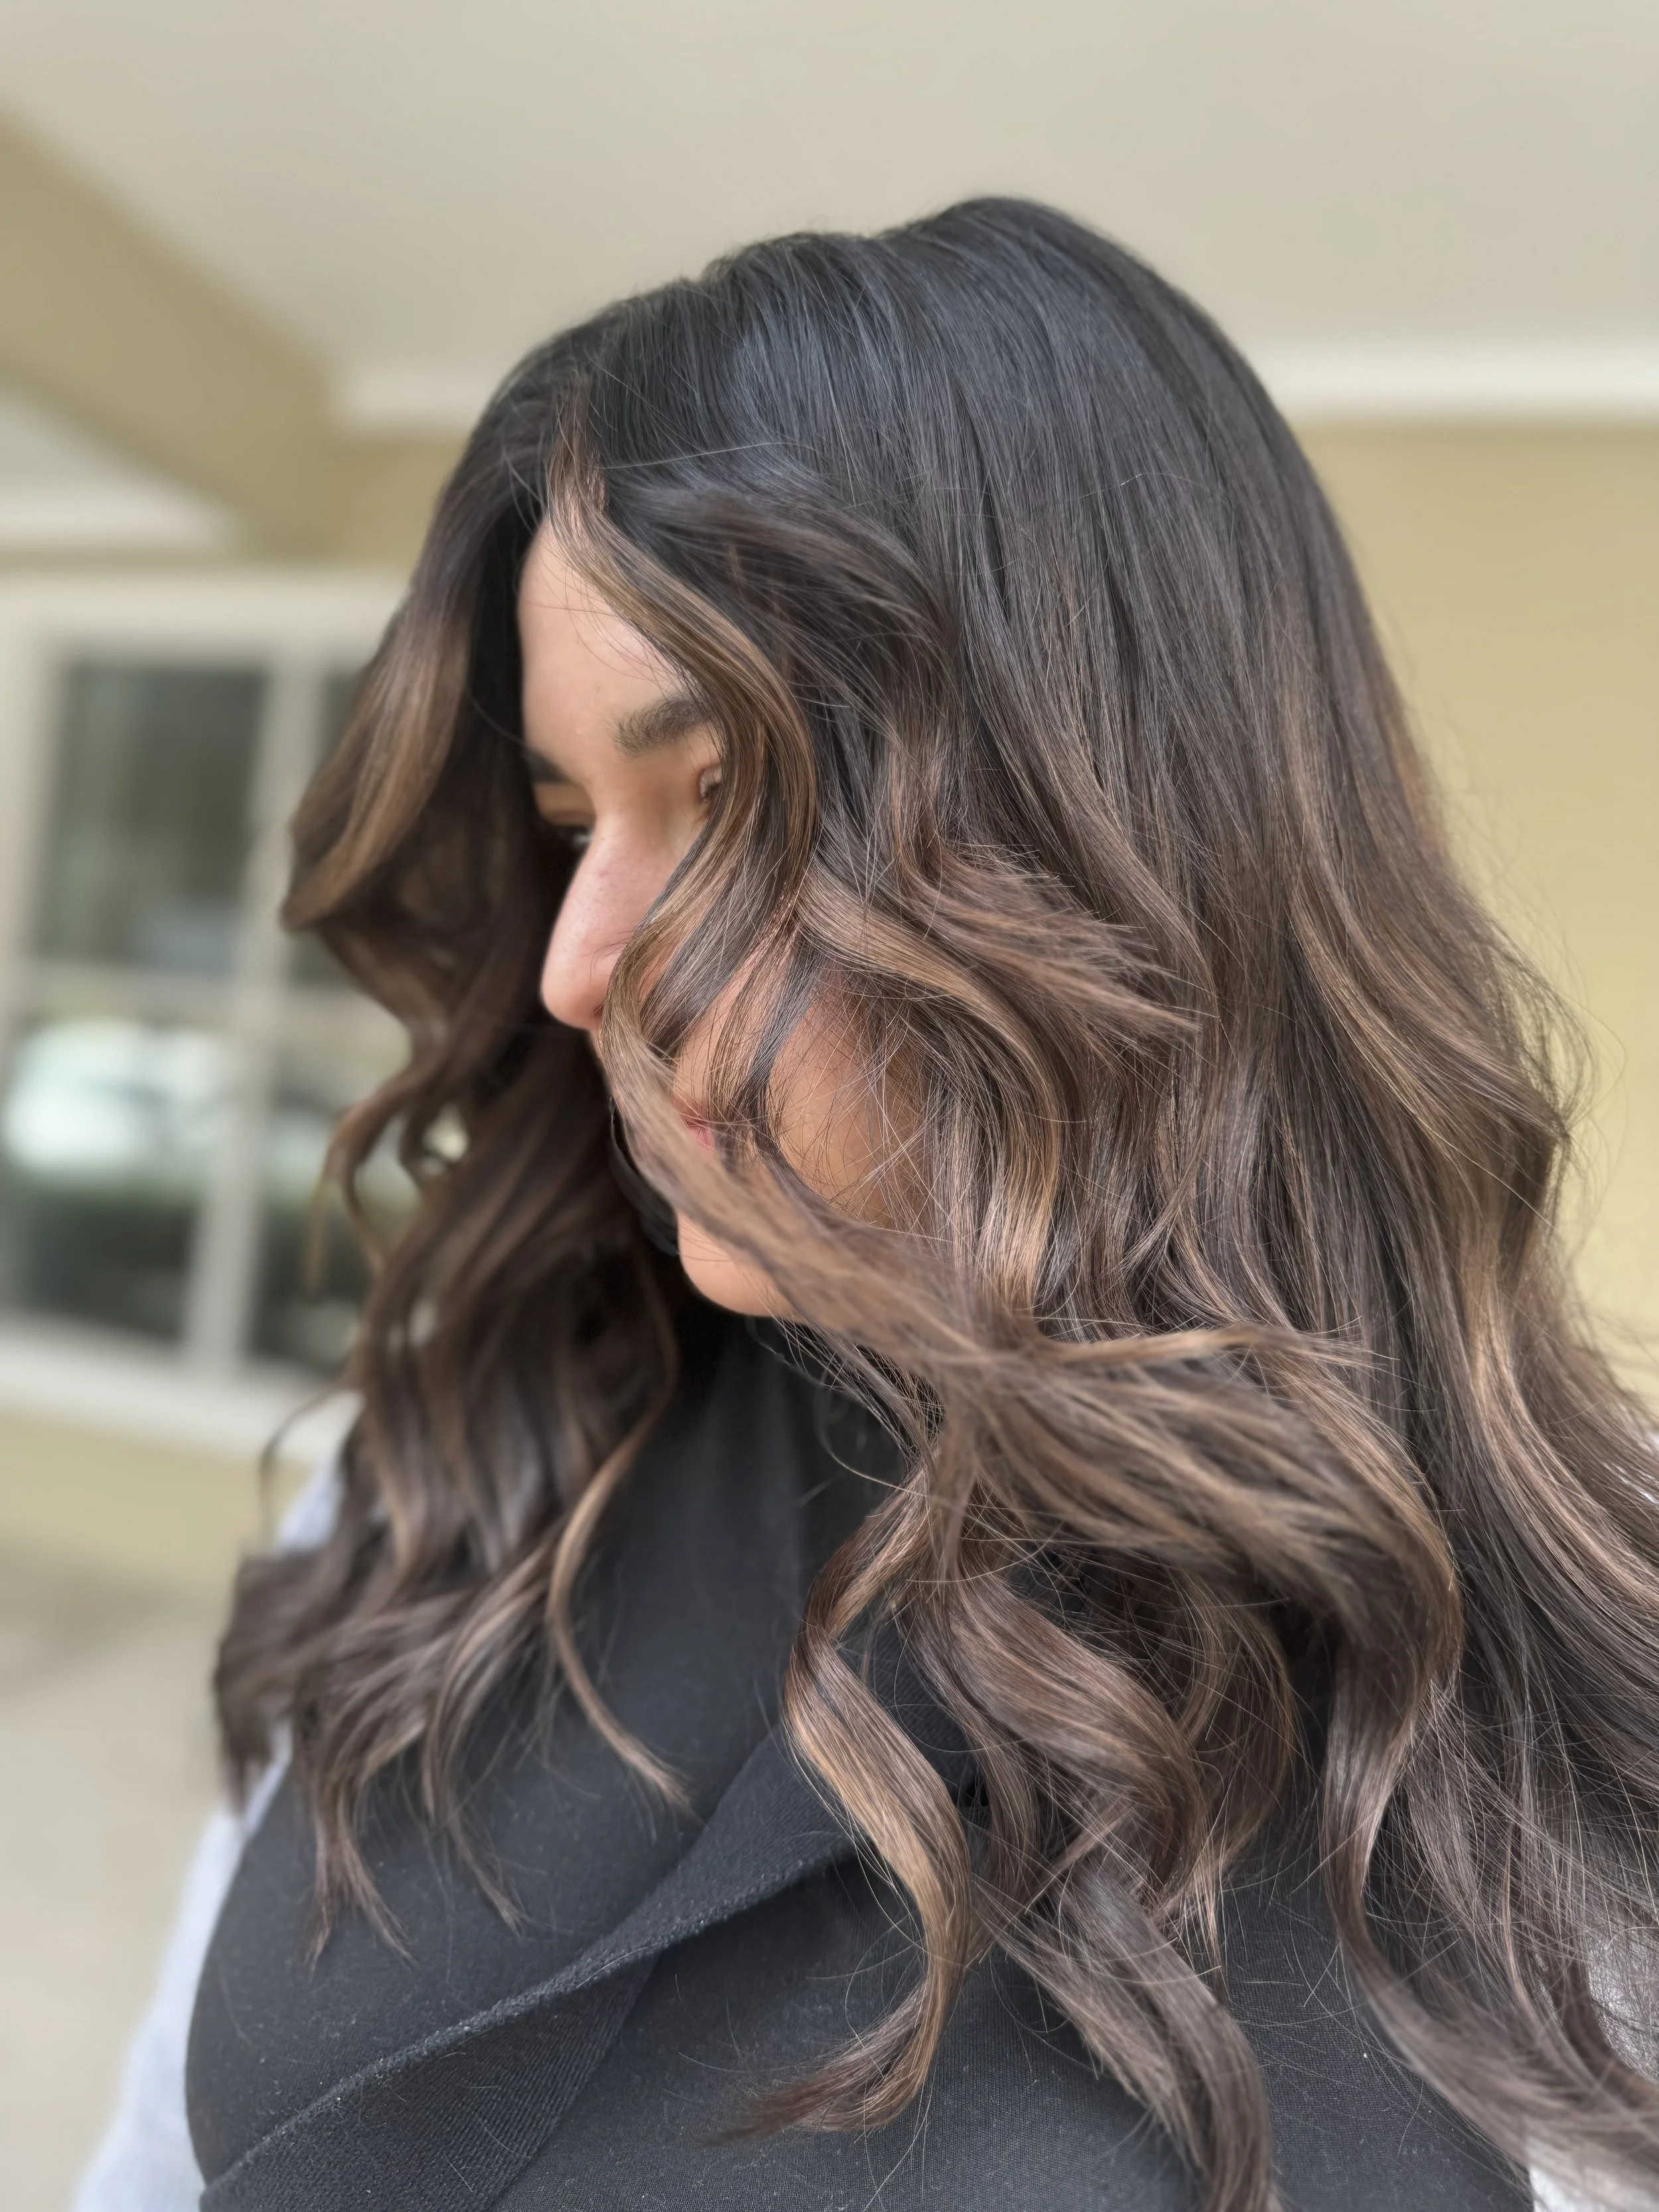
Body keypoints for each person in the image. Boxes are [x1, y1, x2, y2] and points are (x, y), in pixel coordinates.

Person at [79, 198, 1659, 2212]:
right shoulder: (460, 1473)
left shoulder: (1579, 1762)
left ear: (1119, 836)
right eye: (568, 821)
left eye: (730, 796)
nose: (577, 966)